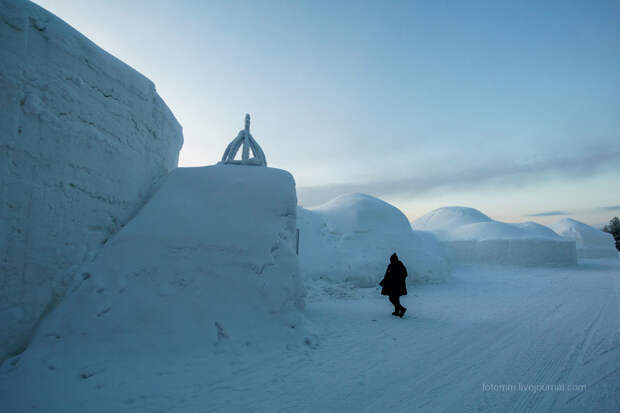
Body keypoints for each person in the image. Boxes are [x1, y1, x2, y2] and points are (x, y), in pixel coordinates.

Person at [379, 253, 408, 317]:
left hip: (397, 286)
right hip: (392, 285)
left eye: (392, 260)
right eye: (391, 260)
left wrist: (398, 280)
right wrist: (383, 281)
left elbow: (405, 274)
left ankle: (402, 309)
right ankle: (397, 311)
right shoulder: (390, 265)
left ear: (395, 260)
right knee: (395, 298)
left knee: (392, 298)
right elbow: (387, 275)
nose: (391, 261)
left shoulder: (400, 266)